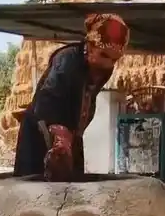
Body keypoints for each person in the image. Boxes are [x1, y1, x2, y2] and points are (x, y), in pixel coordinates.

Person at [13, 13, 130, 181]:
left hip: (73, 132)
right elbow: (46, 99)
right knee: (34, 188)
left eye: (114, 59)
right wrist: (60, 137)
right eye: (104, 55)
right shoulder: (66, 60)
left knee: (73, 188)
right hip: (43, 129)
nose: (109, 64)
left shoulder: (104, 68)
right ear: (90, 46)